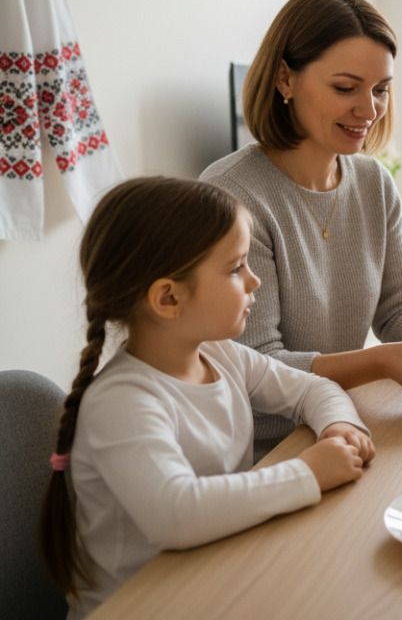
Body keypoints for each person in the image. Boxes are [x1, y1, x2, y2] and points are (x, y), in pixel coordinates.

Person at [201, 0, 402, 456]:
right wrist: (379, 363)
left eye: (380, 89)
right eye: (345, 88)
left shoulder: (373, 182)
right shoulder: (232, 196)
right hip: (267, 450)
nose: (369, 110)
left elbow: (397, 308)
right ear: (284, 79)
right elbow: (256, 368)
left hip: (341, 421)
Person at [39, 177, 374, 619]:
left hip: (213, 575)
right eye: (236, 269)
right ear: (168, 298)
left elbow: (313, 388)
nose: (254, 279)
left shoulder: (221, 355)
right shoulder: (121, 403)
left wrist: (338, 426)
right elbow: (177, 514)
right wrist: (307, 471)